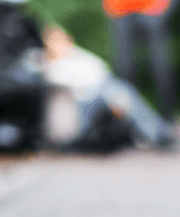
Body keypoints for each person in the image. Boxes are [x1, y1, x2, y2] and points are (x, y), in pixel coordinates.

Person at [42, 25, 172, 152]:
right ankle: (158, 133)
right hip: (84, 101)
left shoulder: (77, 54)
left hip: (100, 90)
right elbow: (79, 82)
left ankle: (155, 132)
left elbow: (101, 70)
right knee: (120, 93)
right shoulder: (51, 65)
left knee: (121, 92)